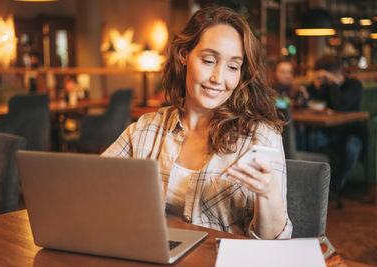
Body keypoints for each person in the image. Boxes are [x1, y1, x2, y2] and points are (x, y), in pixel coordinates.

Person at [102, 5, 292, 239]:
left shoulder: (260, 137)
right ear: (184, 55)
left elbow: (273, 242)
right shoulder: (146, 129)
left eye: (232, 67)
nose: (218, 78)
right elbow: (94, 185)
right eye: (209, 60)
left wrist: (268, 193)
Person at [306, 55, 363, 206]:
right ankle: (311, 185)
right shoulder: (324, 86)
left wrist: (333, 83)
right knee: (311, 138)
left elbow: (340, 105)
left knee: (352, 147)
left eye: (326, 76)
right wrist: (313, 87)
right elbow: (310, 101)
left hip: (350, 133)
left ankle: (335, 186)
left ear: (336, 73)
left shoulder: (354, 85)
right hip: (329, 132)